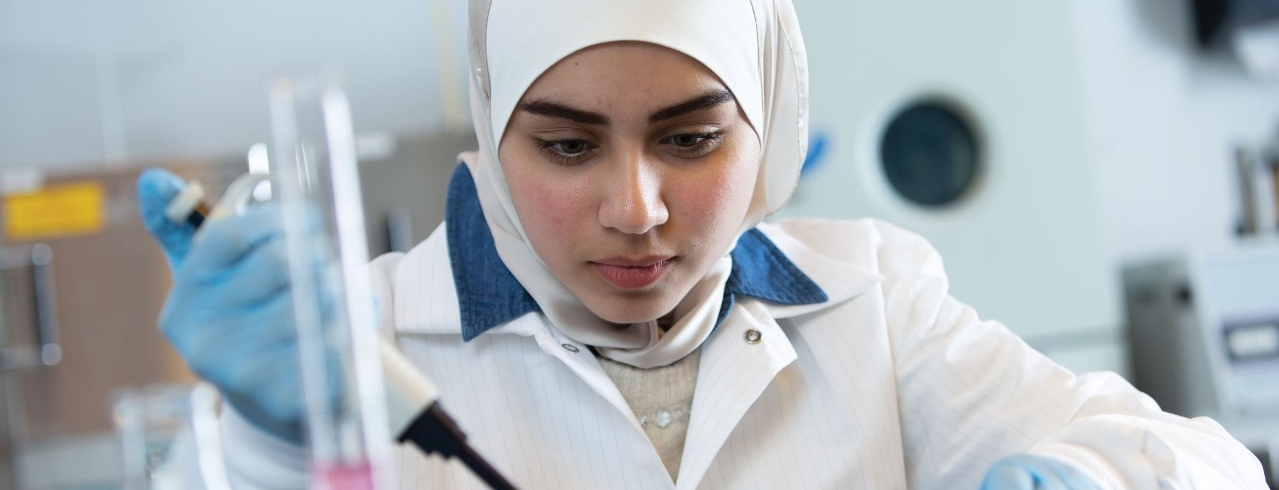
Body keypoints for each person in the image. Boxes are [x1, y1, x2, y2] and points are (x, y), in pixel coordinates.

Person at [137, 0, 1269, 488]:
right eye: (568, 147)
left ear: (766, 119)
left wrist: (1081, 472)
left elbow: (1216, 464)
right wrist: (271, 452)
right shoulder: (360, 344)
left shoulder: (866, 297)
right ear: (495, 127)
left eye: (689, 137)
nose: (636, 207)